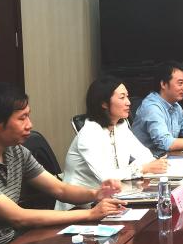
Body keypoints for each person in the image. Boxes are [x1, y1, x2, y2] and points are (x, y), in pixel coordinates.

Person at [0, 83, 127, 244]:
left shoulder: (15, 151)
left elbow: (59, 189)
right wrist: (91, 213)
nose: (29, 125)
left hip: (10, 242)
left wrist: (96, 194)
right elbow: (19, 217)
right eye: (22, 118)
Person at [57, 76, 168, 210]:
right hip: (80, 207)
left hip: (113, 198)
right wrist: (141, 168)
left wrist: (149, 165)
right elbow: (107, 176)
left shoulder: (120, 126)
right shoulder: (90, 133)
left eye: (127, 96)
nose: (128, 102)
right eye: (122, 98)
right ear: (104, 103)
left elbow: (145, 156)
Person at [131, 62, 183, 156]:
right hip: (148, 161)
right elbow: (166, 143)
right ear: (163, 84)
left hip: (166, 159)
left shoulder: (174, 105)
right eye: (180, 83)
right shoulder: (151, 108)